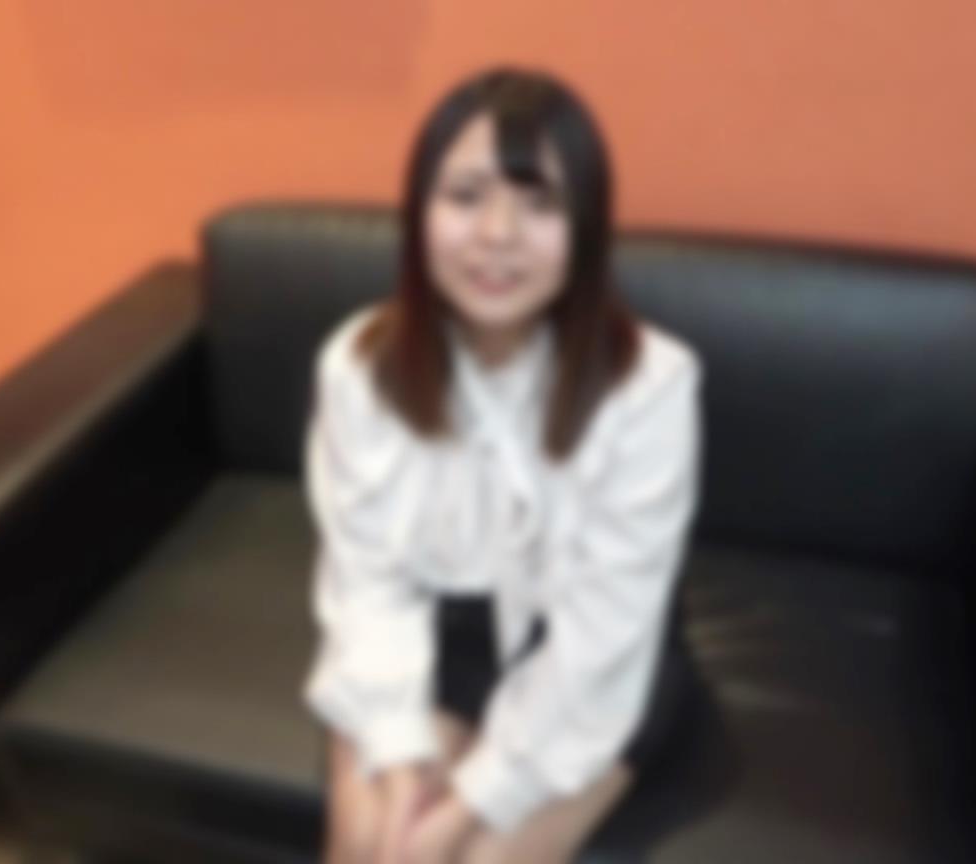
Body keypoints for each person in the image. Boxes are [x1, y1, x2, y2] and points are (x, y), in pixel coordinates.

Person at [302, 64, 704, 864]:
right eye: (465, 196)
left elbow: (600, 638)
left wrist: (465, 811)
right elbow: (368, 580)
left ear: (586, 229)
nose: (497, 234)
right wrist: (399, 756)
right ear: (420, 212)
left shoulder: (652, 384)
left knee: (476, 857)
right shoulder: (359, 364)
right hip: (437, 631)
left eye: (540, 204)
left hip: (596, 658)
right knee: (368, 837)